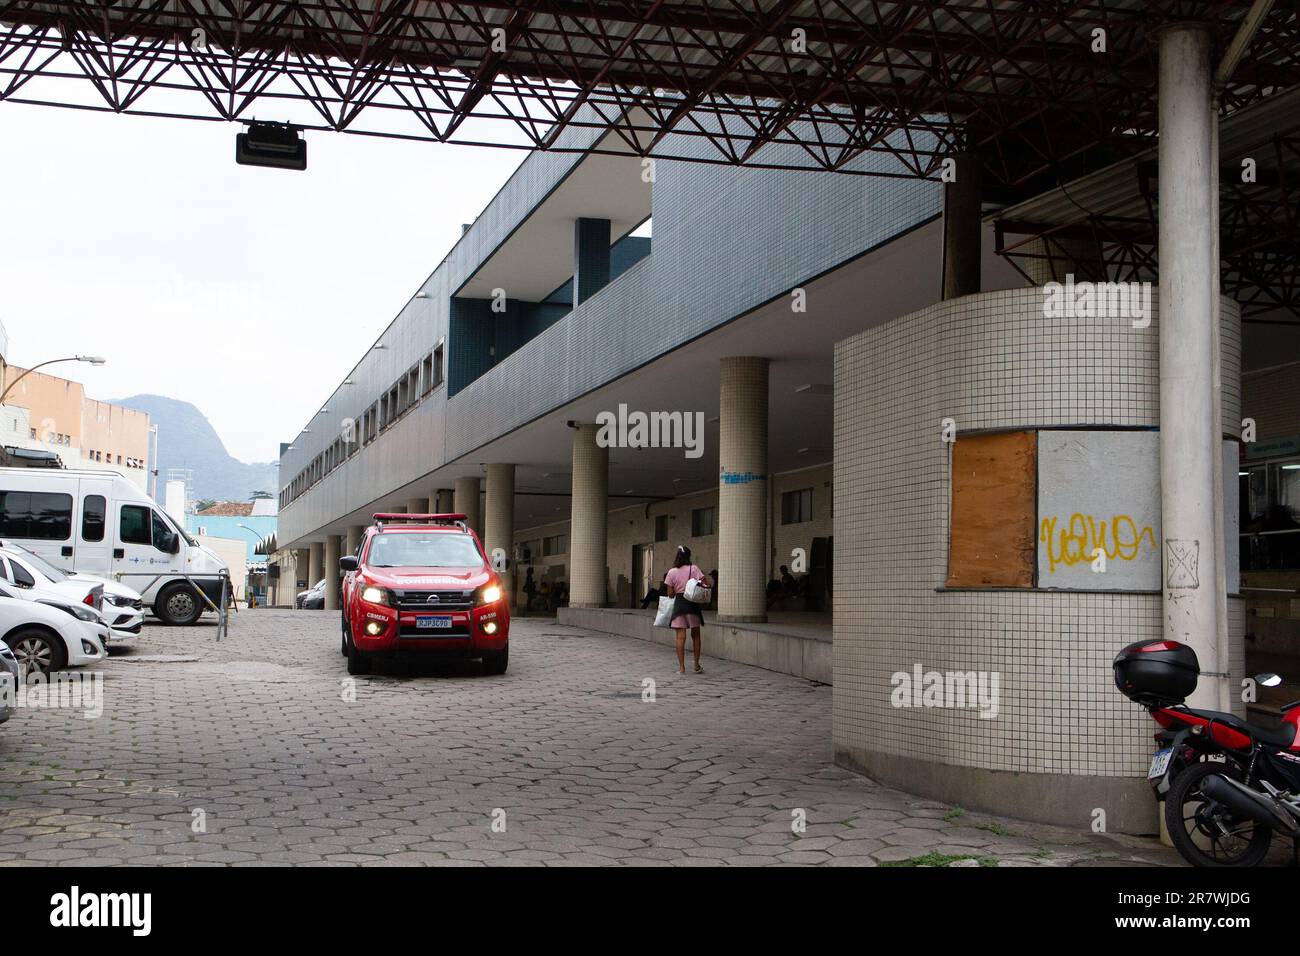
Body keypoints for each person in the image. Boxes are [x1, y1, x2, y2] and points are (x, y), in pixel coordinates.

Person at [662, 545, 712, 674]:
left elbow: (670, 594)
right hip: (692, 604)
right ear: (688, 556)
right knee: (695, 635)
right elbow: (704, 583)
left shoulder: (671, 572)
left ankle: (682, 668)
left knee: (680, 637)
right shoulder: (694, 569)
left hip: (679, 605)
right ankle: (696, 665)